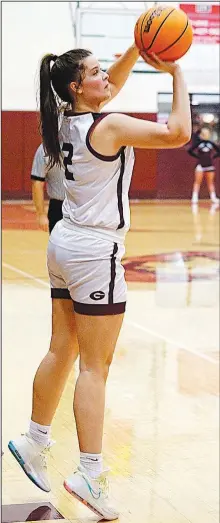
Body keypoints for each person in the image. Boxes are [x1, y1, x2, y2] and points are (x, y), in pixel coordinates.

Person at [8, 43, 191, 520]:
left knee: (61, 349)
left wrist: (136, 48)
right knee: (95, 366)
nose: (106, 77)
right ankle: (90, 471)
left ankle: (34, 441)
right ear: (77, 85)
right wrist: (175, 73)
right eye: (97, 72)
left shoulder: (68, 119)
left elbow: (109, 88)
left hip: (64, 240)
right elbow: (177, 133)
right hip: (94, 252)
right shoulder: (109, 126)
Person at [31, 143, 65, 233]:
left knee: (58, 245)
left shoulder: (45, 147)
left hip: (58, 206)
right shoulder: (84, 144)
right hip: (80, 205)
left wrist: (41, 214)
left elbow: (37, 182)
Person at [188, 126, 220, 204]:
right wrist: (197, 156)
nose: (205, 135)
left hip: (209, 165)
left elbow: (218, 151)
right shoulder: (198, 143)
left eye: (206, 133)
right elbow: (190, 150)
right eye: (203, 134)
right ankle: (194, 197)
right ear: (201, 135)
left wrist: (213, 156)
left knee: (210, 182)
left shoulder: (211, 143)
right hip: (200, 165)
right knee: (197, 182)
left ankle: (213, 197)